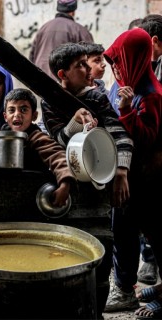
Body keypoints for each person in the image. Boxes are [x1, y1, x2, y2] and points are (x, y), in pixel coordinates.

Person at [41, 42, 134, 319]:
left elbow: (121, 133)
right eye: (80, 65)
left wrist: (121, 171)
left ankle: (98, 304)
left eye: (86, 62)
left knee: (102, 244)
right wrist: (73, 124)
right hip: (72, 183)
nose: (87, 69)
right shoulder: (49, 100)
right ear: (63, 74)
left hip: (100, 180)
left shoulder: (97, 97)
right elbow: (56, 138)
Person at [104, 27, 162, 319]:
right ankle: (125, 289)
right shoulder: (120, 85)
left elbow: (147, 139)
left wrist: (127, 111)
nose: (114, 67)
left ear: (135, 58)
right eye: (112, 61)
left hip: (148, 180)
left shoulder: (151, 94)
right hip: (126, 176)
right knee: (122, 233)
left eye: (119, 60)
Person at [1, 88, 75, 207]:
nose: (17, 114)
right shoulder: (1, 135)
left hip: (32, 196)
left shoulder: (36, 136)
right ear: (5, 116)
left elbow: (56, 155)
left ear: (34, 116)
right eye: (11, 110)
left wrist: (65, 183)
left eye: (23, 109)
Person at [29, 0, 93, 81]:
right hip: (64, 83)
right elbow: (91, 59)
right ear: (73, 11)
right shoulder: (80, 30)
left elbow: (32, 57)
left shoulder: (43, 28)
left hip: (40, 79)